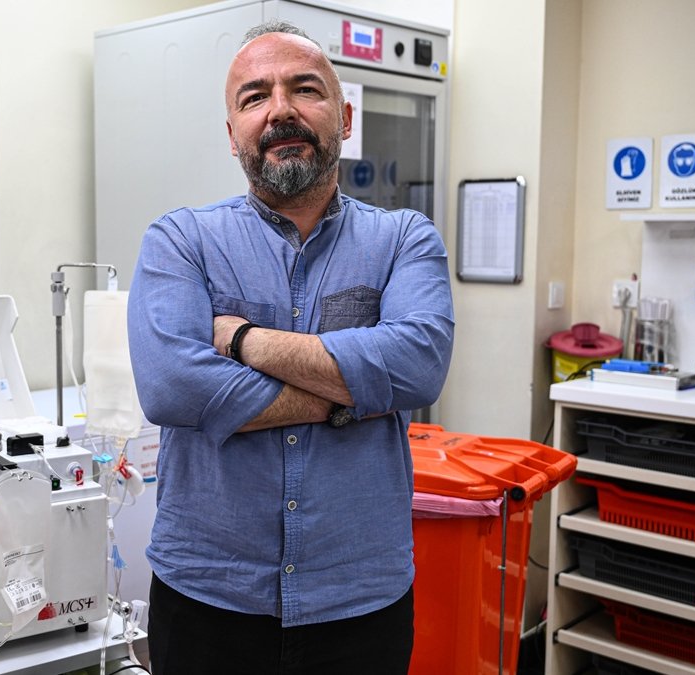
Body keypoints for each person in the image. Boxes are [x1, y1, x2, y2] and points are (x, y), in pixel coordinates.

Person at [127, 19, 454, 675]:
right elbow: (171, 386)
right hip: (208, 597)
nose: (280, 110)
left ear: (345, 117)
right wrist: (356, 393)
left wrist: (241, 339)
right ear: (232, 135)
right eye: (255, 96)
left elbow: (419, 365)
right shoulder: (181, 241)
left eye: (305, 89)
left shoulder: (404, 239)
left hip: (360, 601)